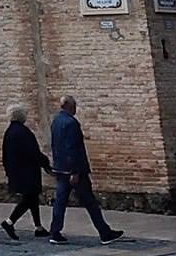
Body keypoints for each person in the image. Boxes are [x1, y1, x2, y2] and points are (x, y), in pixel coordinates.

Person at [47, 95, 125, 245]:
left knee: (60, 201)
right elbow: (72, 148)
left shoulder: (56, 121)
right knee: (90, 202)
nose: (76, 108)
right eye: (74, 105)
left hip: (61, 169)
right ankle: (104, 232)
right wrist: (74, 171)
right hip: (74, 171)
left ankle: (55, 231)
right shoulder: (71, 123)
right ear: (69, 105)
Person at [0, 103, 48, 240]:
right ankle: (9, 222)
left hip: (17, 171)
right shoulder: (22, 132)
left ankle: (38, 227)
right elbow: (32, 151)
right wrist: (44, 161)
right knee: (28, 199)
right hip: (27, 171)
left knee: (32, 198)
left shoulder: (10, 132)